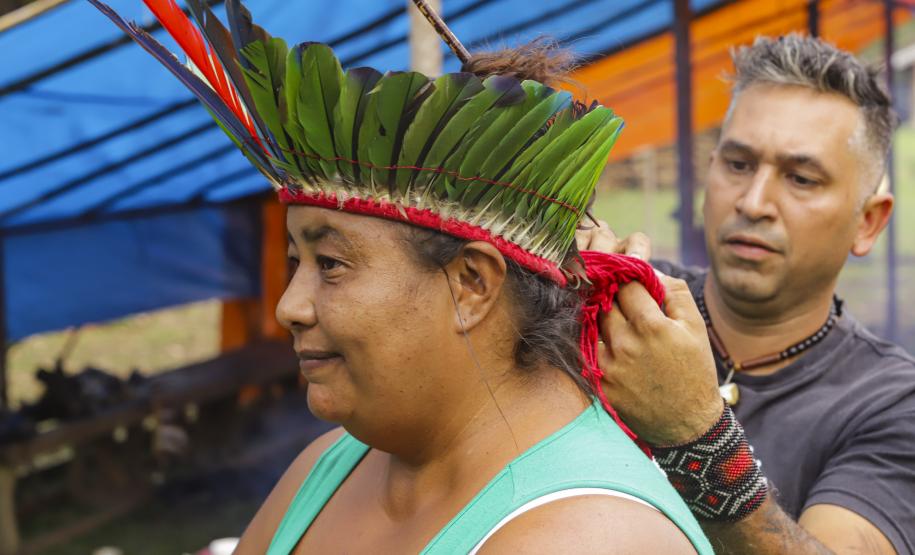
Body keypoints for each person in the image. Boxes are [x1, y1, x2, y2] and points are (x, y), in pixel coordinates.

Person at [90, 0, 716, 553]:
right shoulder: (327, 469)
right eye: (295, 263)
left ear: (471, 283)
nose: (289, 307)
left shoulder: (586, 537)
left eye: (330, 265)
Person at [580, 34, 915, 554]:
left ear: (868, 222)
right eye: (738, 165)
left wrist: (696, 436)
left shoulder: (891, 403)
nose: (754, 202)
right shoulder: (622, 303)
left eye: (801, 179)